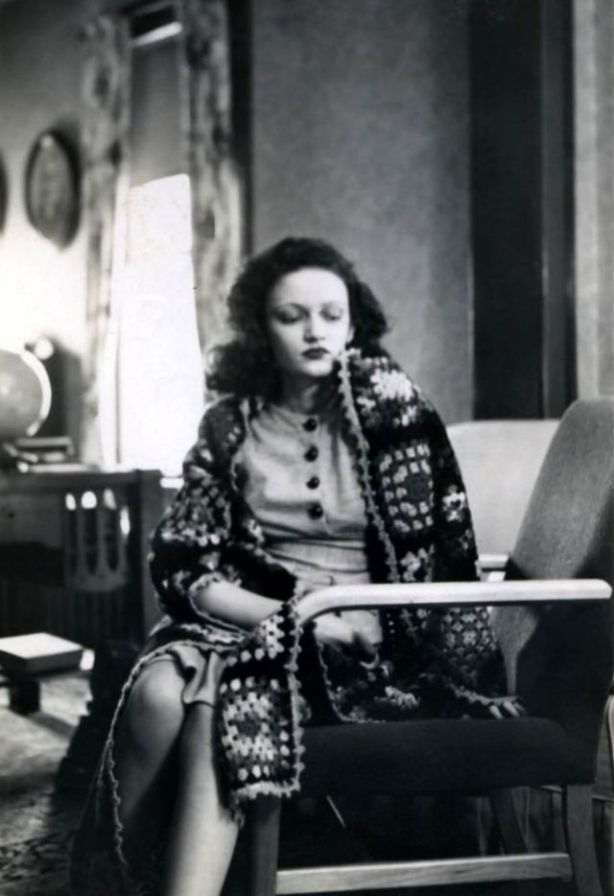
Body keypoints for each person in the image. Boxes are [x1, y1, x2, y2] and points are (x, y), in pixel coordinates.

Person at [71, 236, 520, 896]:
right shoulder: (228, 425)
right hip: (243, 619)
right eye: (292, 316)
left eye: (332, 315)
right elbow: (185, 565)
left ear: (353, 324)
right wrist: (298, 618)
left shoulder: (397, 415)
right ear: (262, 329)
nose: (315, 331)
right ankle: (118, 885)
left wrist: (454, 669)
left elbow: (447, 550)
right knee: (156, 696)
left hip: (364, 648)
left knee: (214, 699)